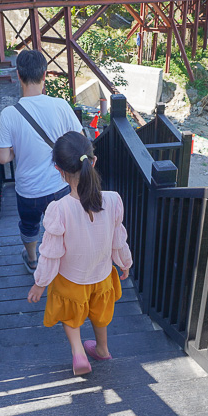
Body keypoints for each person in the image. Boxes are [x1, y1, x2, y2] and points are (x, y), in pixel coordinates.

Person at [27, 131, 132, 375]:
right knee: (100, 314)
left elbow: (51, 254)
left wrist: (40, 284)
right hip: (102, 275)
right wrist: (124, 262)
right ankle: (103, 349)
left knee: (71, 315)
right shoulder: (113, 200)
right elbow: (119, 239)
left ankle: (78, 353)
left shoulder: (58, 209)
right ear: (93, 162)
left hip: (71, 280)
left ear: (58, 170)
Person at [0, 49, 85, 275]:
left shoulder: (9, 114)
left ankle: (34, 260)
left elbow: (2, 157)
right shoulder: (60, 106)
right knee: (63, 223)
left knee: (29, 226)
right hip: (60, 185)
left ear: (19, 75)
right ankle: (66, 260)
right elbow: (80, 140)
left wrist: (17, 151)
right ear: (45, 75)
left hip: (28, 190)